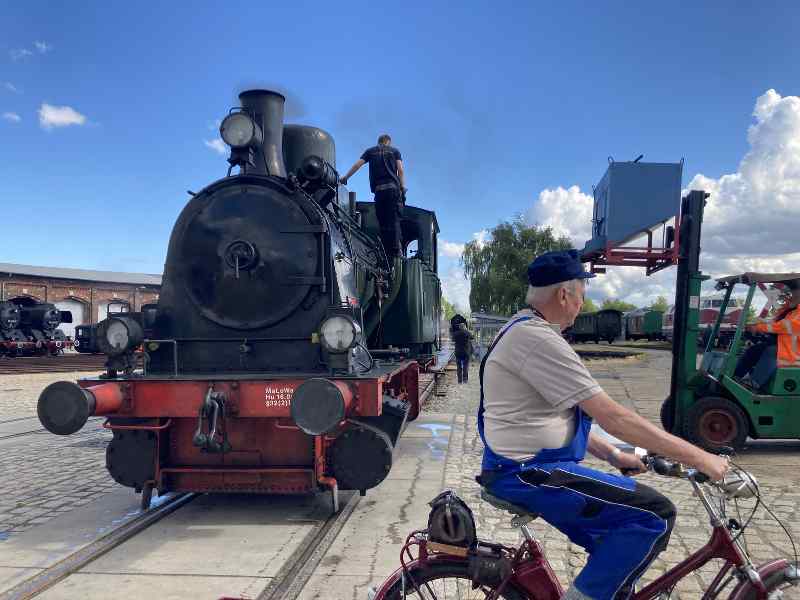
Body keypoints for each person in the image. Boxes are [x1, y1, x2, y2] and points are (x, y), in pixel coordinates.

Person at [477, 249, 729, 600]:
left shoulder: (524, 329)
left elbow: (562, 416)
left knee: (616, 537)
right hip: (526, 472)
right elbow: (614, 417)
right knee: (653, 514)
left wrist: (613, 454)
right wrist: (702, 458)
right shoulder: (538, 339)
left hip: (525, 467)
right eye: (581, 294)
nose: (582, 304)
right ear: (563, 295)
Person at [340, 134, 406, 258]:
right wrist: (403, 187)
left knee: (382, 222)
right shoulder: (395, 151)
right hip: (393, 189)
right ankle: (397, 251)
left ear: (379, 142)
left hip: (379, 190)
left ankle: (385, 251)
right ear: (388, 142)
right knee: (394, 220)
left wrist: (346, 177)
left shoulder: (370, 151)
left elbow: (357, 165)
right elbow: (400, 170)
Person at [735, 280, 800, 389]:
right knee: (754, 350)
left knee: (771, 351)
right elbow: (774, 321)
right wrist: (756, 323)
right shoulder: (790, 311)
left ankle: (755, 382)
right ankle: (736, 376)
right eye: (792, 294)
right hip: (785, 348)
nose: (791, 297)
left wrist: (758, 327)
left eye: (795, 295)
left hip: (793, 354)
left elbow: (785, 325)